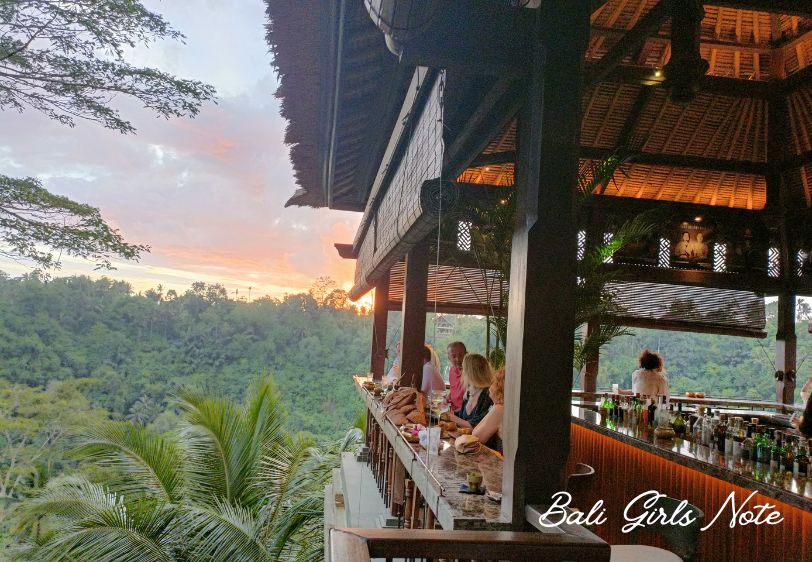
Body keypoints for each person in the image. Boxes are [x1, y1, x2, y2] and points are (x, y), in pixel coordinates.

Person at [449, 353, 494, 429]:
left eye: (464, 369)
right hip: (462, 436)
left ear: (471, 372)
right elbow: (462, 417)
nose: (462, 372)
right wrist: (449, 411)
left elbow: (475, 426)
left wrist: (450, 416)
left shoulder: (488, 394)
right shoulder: (469, 391)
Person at [473, 368, 504, 453]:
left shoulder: (500, 409)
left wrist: (495, 406)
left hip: (501, 461)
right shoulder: (506, 408)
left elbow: (476, 437)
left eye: (495, 382)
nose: (491, 386)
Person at [446, 341, 467, 411]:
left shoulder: (471, 373)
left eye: (460, 355)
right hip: (453, 411)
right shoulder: (452, 371)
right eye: (454, 356)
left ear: (466, 355)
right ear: (449, 357)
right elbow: (453, 389)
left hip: (464, 413)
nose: (458, 359)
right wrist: (447, 398)